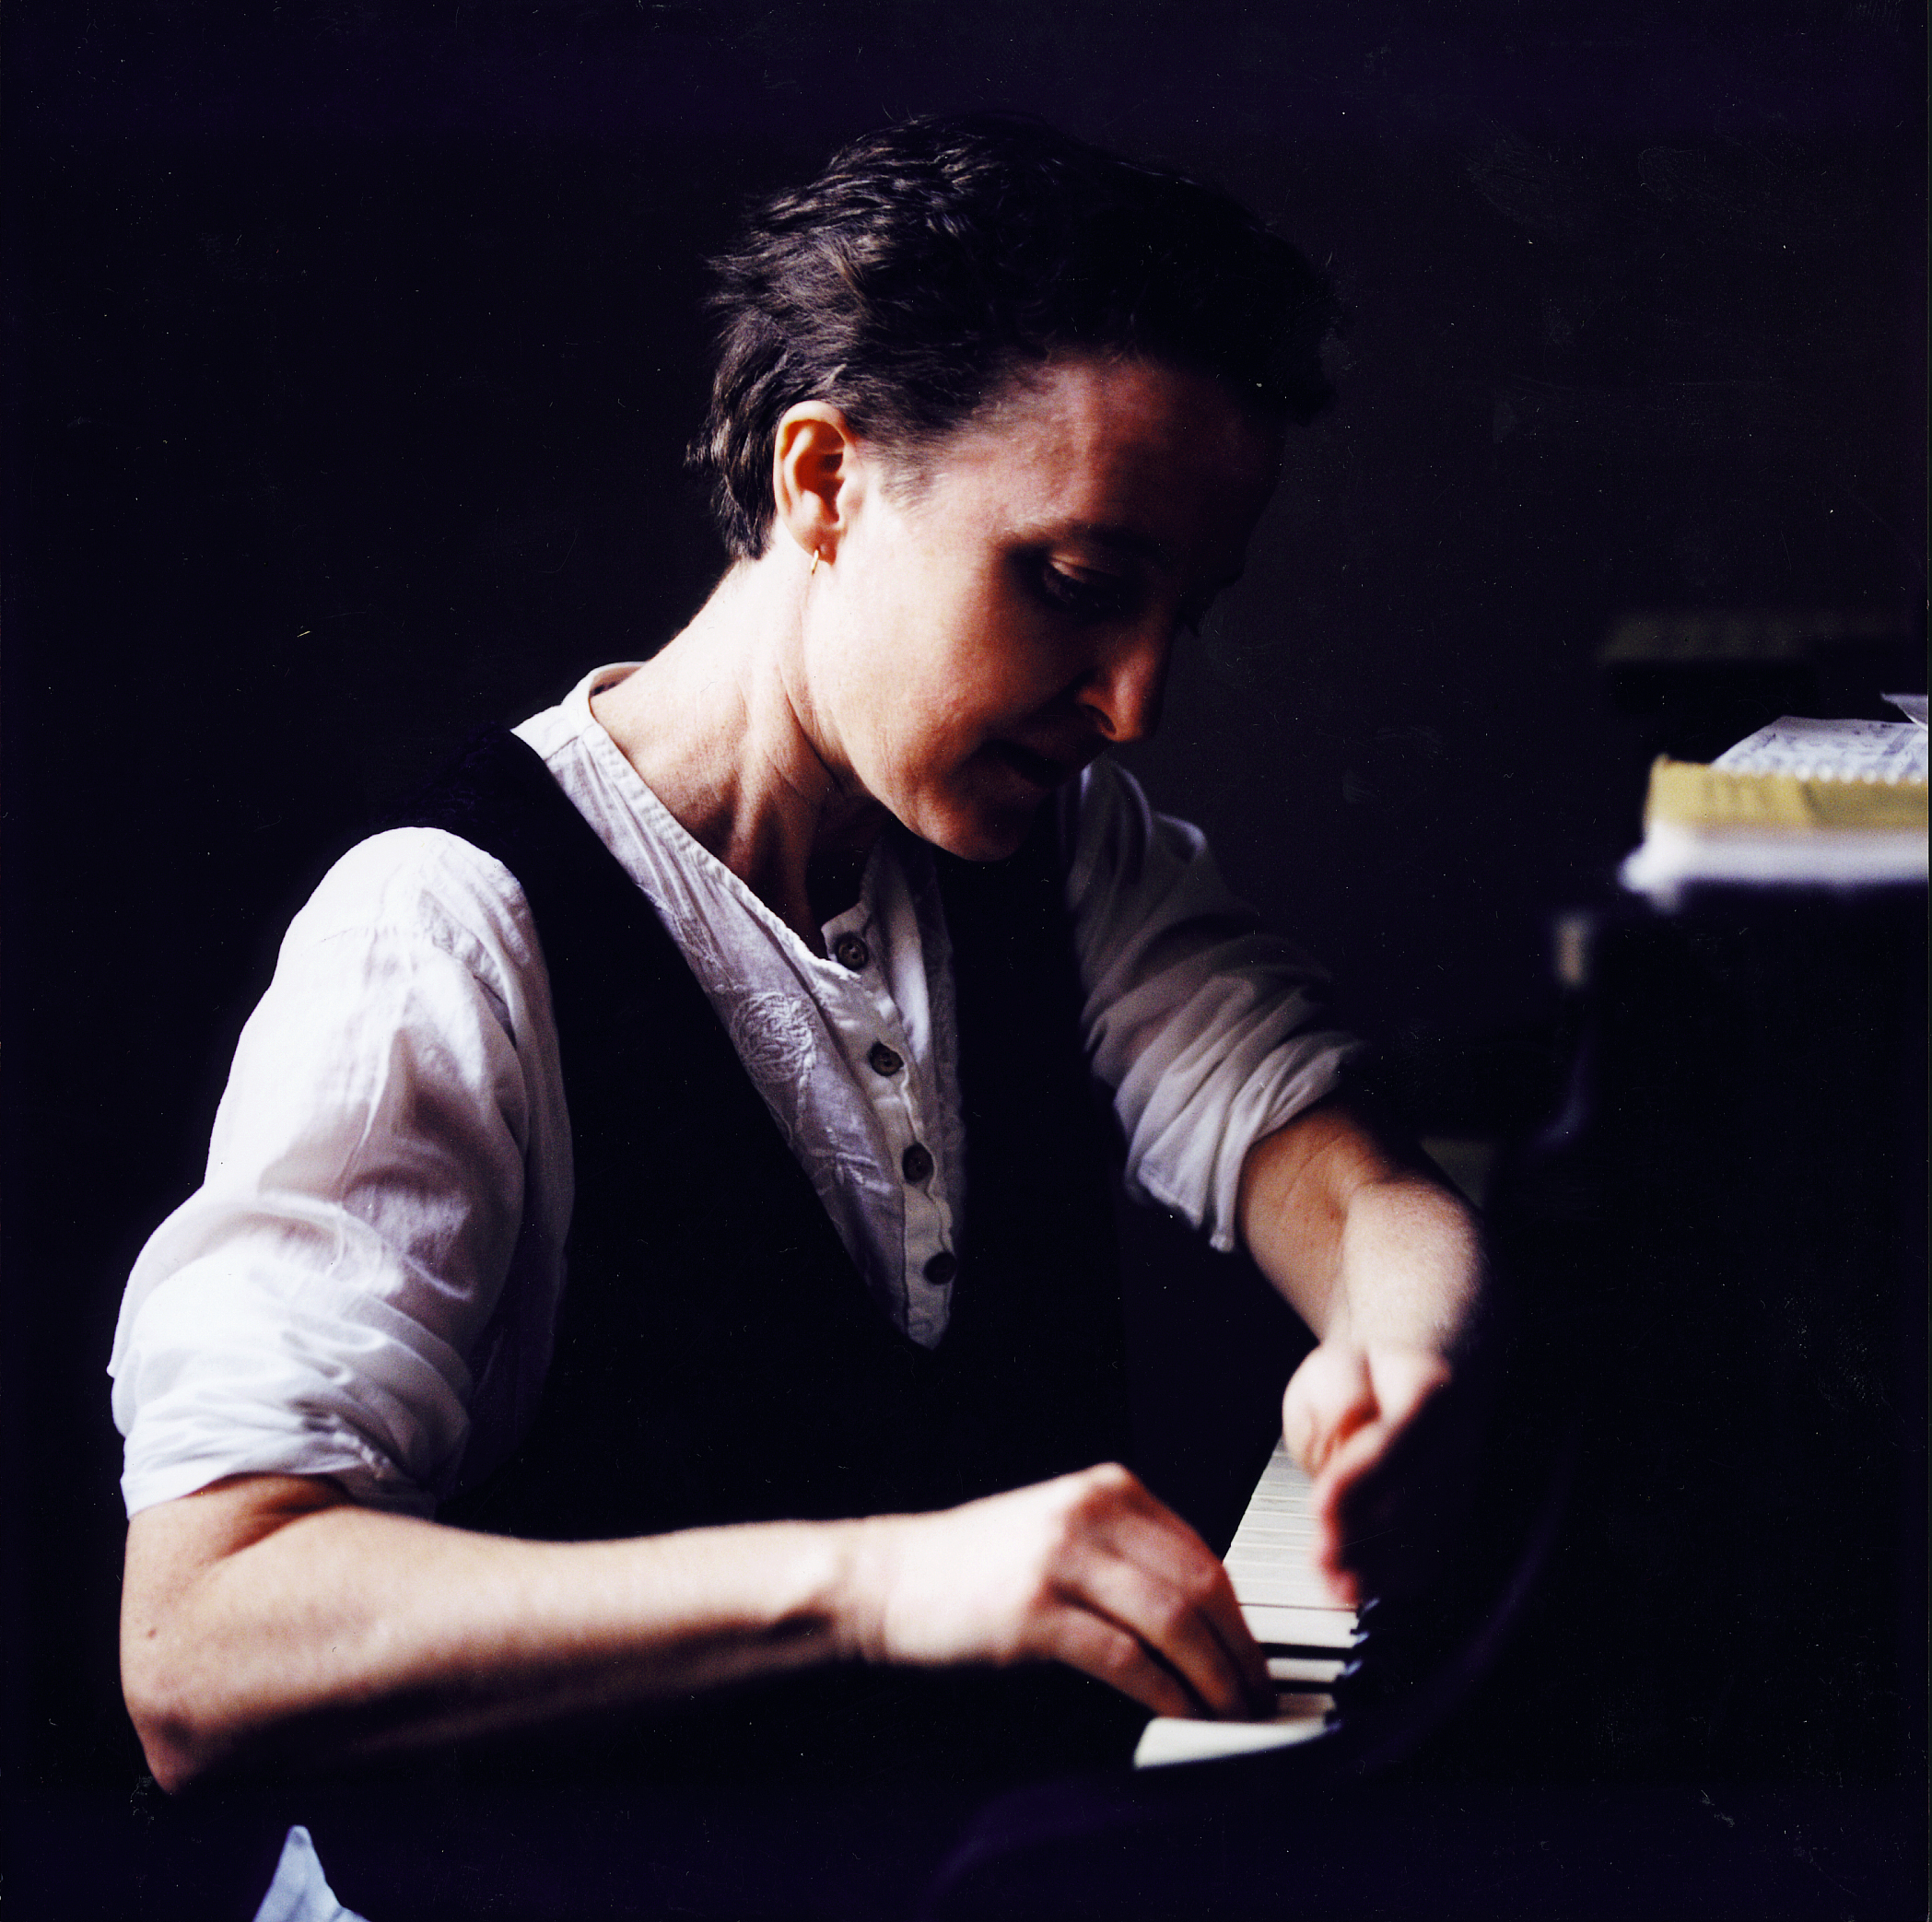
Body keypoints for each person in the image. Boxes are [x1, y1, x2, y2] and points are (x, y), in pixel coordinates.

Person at [111, 114, 1488, 1797]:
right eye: (1075, 581)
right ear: (822, 481)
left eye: (1179, 615)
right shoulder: (445, 930)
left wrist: (1404, 1352)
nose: (1135, 701)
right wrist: (878, 1583)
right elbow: (200, 1645)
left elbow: (1347, 1182)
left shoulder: (1065, 850)